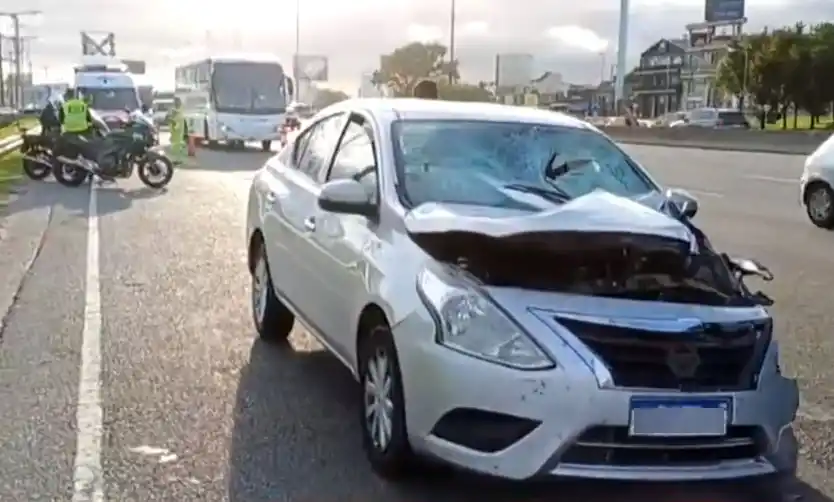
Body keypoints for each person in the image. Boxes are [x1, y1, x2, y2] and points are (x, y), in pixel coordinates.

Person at [57, 88, 108, 169]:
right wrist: (107, 131)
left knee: (57, 153)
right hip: (85, 134)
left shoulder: (64, 107)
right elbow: (93, 120)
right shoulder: (83, 106)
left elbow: (61, 122)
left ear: (66, 98)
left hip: (69, 134)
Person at [166, 97, 188, 165]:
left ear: (179, 102)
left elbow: (177, 122)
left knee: (177, 147)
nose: (175, 103)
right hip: (175, 132)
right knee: (176, 147)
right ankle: (177, 160)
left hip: (178, 132)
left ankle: (177, 160)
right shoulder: (175, 110)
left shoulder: (180, 111)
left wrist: (171, 120)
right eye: (175, 102)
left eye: (176, 102)